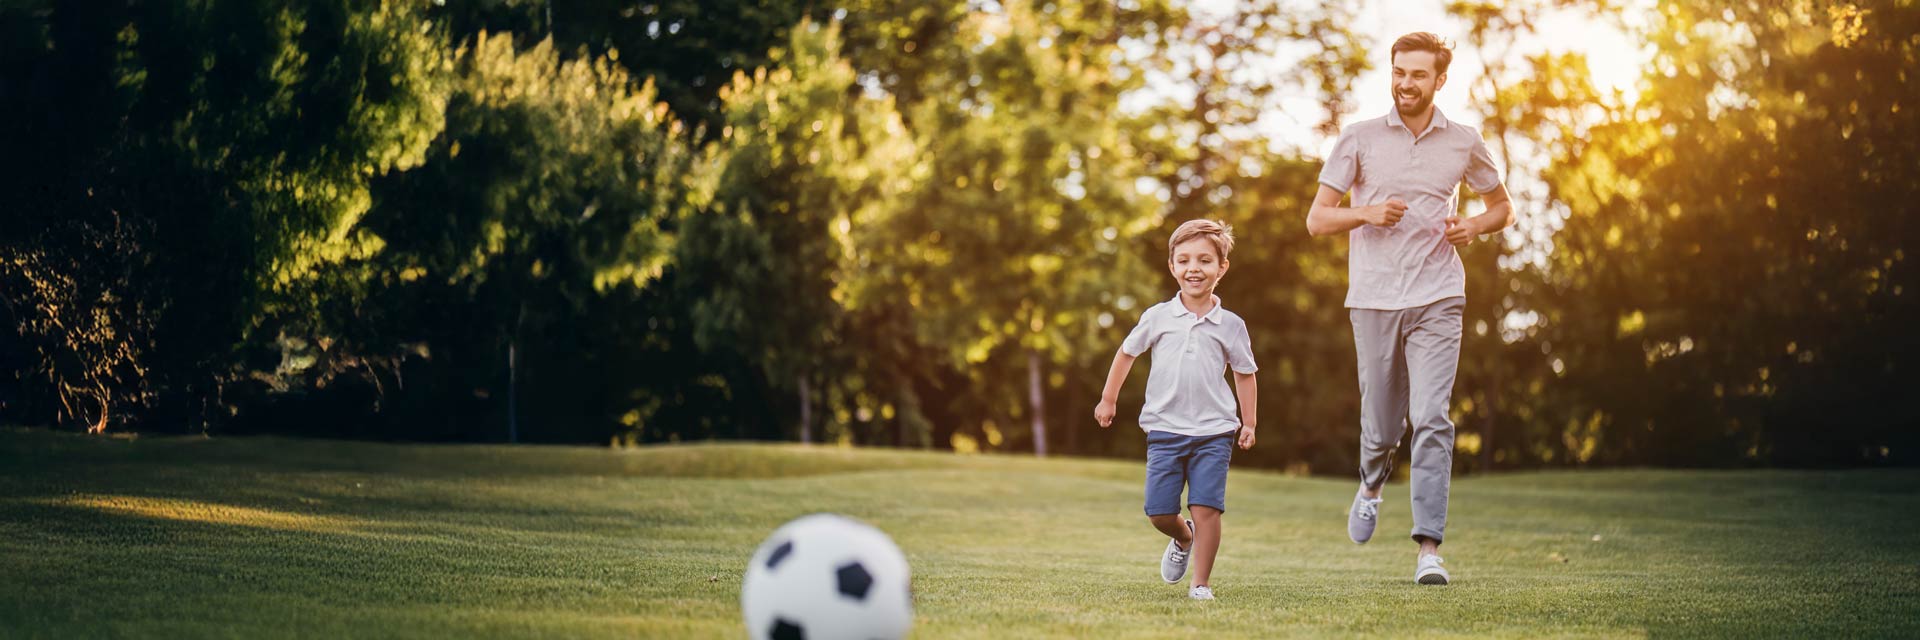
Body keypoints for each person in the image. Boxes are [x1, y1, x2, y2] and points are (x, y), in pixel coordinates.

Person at [1305, 32, 1513, 585]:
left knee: (1431, 418)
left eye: (1418, 74)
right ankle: (1371, 484)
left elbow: (1502, 207)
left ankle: (1428, 549)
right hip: (1373, 298)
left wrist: (1472, 224)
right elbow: (1318, 219)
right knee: (1380, 425)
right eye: (1399, 72)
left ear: (1439, 80)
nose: (1406, 83)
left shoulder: (1464, 141)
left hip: (1439, 296)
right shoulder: (1359, 138)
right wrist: (1367, 213)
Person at [1094, 219, 1259, 601]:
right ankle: (1182, 537)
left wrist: (1248, 422)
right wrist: (1108, 398)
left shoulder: (1231, 325)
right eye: (1183, 260)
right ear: (1172, 266)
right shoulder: (1157, 317)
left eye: (1204, 260)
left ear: (1222, 268)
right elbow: (1126, 353)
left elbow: (1245, 374)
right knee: (1158, 513)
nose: (1193, 268)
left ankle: (1201, 584)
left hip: (1214, 431)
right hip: (1165, 429)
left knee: (1208, 509)